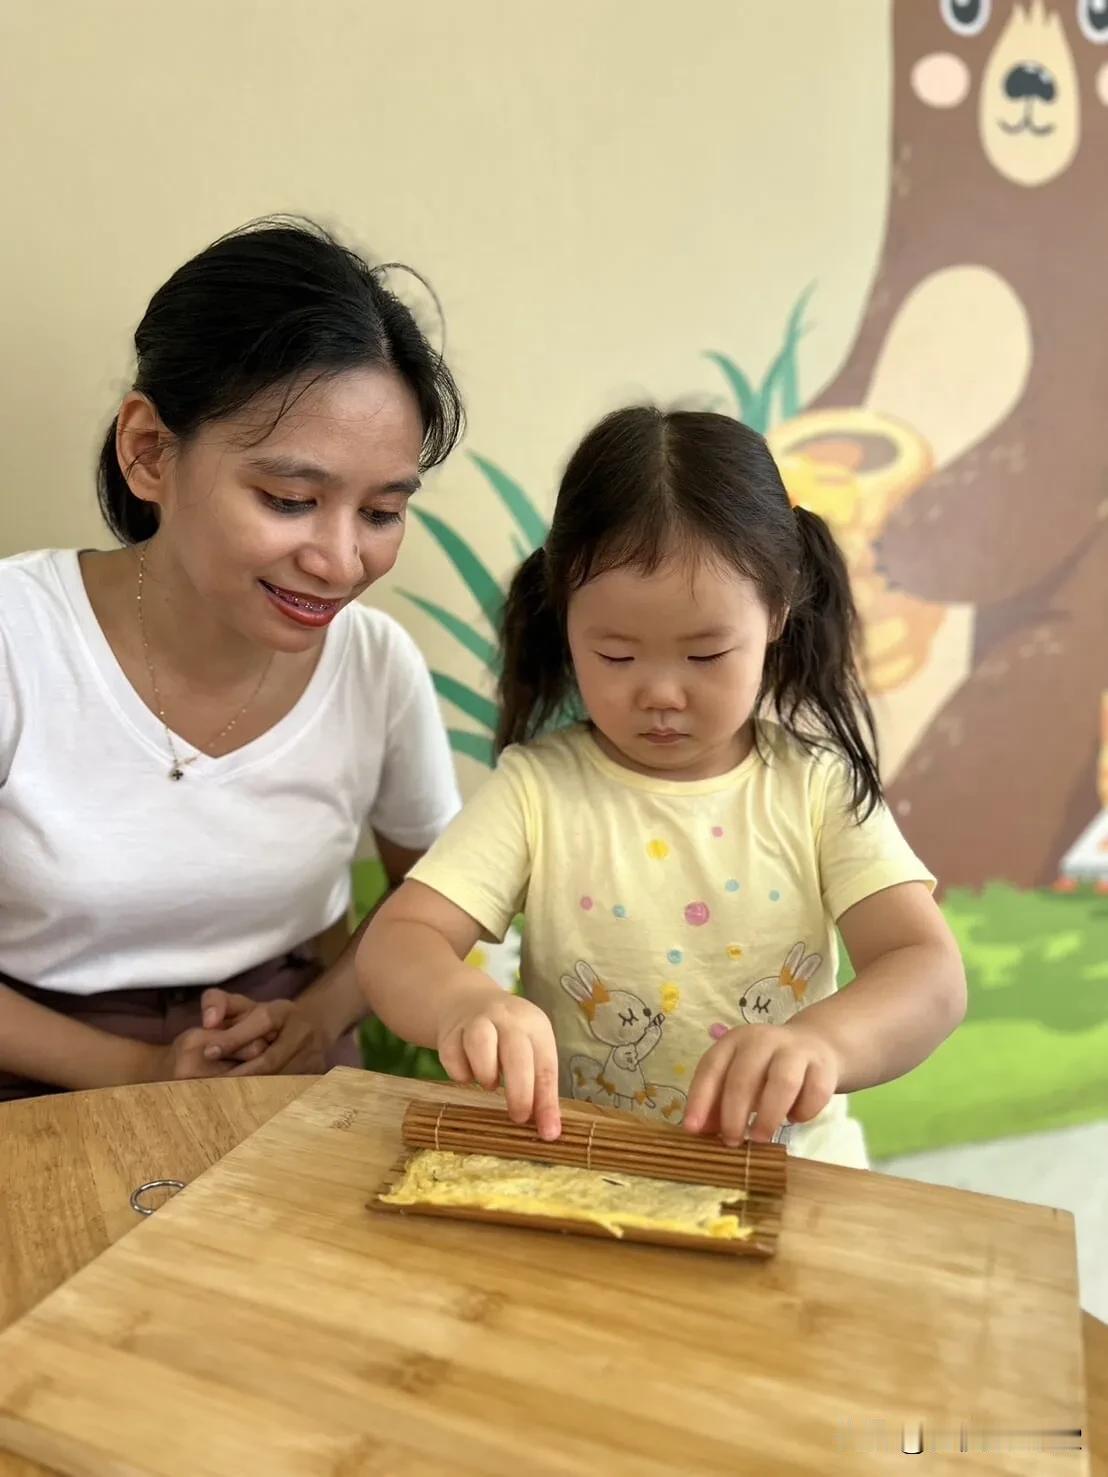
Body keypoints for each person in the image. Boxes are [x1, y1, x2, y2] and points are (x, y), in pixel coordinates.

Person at [358, 408, 967, 1167]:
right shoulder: (538, 791)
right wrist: (463, 1003)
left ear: (777, 613)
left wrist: (823, 1044)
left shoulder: (817, 789)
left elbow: (928, 969)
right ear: (566, 621)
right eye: (615, 655)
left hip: (792, 1174)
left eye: (707, 654)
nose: (662, 694)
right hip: (583, 1168)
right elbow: (400, 941)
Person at [0, 218, 464, 1102]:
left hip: (288, 1075)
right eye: (291, 498)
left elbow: (439, 902)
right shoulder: (16, 638)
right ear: (148, 452)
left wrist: (321, 1016)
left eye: (380, 513)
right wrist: (137, 1068)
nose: (338, 562)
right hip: (33, 1082)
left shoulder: (375, 666)